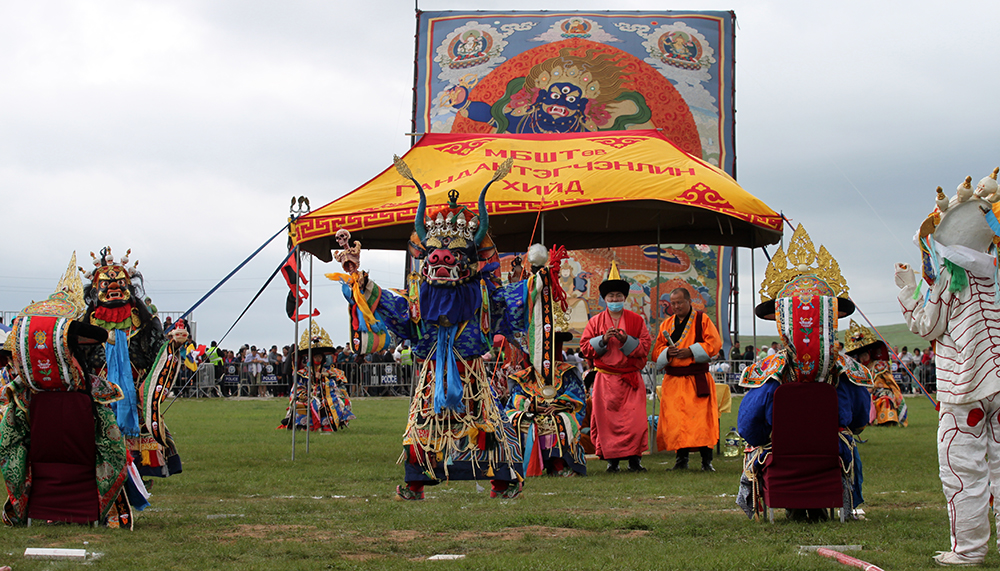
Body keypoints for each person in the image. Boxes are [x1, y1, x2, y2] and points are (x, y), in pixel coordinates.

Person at [896, 170, 1000, 566]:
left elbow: (928, 325)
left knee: (963, 470)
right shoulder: (994, 273)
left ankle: (969, 550)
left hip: (965, 387)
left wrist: (907, 288)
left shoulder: (949, 278)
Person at [735, 224, 872, 522]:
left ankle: (788, 498)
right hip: (833, 450)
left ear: (783, 322)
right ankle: (832, 498)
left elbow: (749, 425)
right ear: (830, 319)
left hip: (781, 450)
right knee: (845, 440)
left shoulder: (770, 370)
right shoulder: (846, 369)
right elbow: (861, 418)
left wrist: (778, 436)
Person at [579, 261, 651, 473]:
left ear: (624, 298)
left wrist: (627, 340)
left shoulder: (637, 320)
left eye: (618, 296)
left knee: (635, 421)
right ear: (605, 299)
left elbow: (645, 346)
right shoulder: (595, 321)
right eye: (611, 297)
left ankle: (635, 460)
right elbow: (585, 347)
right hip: (606, 380)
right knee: (607, 422)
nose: (615, 300)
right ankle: (612, 461)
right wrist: (602, 340)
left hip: (630, 379)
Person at [653, 287, 722, 471]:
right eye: (673, 303)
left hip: (696, 378)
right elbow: (657, 350)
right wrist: (668, 352)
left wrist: (691, 351)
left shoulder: (702, 320)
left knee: (701, 421)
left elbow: (714, 343)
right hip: (674, 381)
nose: (676, 306)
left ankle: (706, 462)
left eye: (679, 302)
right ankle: (680, 460)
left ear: (689, 302)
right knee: (677, 421)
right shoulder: (666, 324)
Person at [505, 332, 588, 477]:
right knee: (513, 419)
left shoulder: (566, 372)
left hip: (556, 412)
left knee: (561, 421)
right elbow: (515, 398)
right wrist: (532, 407)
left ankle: (558, 464)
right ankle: (517, 464)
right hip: (530, 412)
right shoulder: (525, 374)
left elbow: (576, 394)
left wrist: (558, 404)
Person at [278, 323, 354, 431]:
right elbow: (297, 386)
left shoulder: (330, 371)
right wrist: (303, 394)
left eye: (320, 356)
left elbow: (339, 386)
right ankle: (304, 424)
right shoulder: (303, 372)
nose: (318, 358)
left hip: (327, 395)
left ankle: (328, 424)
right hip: (308, 395)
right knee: (304, 402)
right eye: (315, 356)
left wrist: (324, 378)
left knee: (334, 401)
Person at [844, 320, 907, 426]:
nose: (863, 358)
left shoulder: (879, 366)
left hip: (881, 392)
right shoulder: (858, 368)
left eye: (865, 355)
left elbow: (886, 382)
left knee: (885, 399)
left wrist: (872, 389)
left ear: (869, 354)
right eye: (861, 356)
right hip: (865, 393)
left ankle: (887, 421)